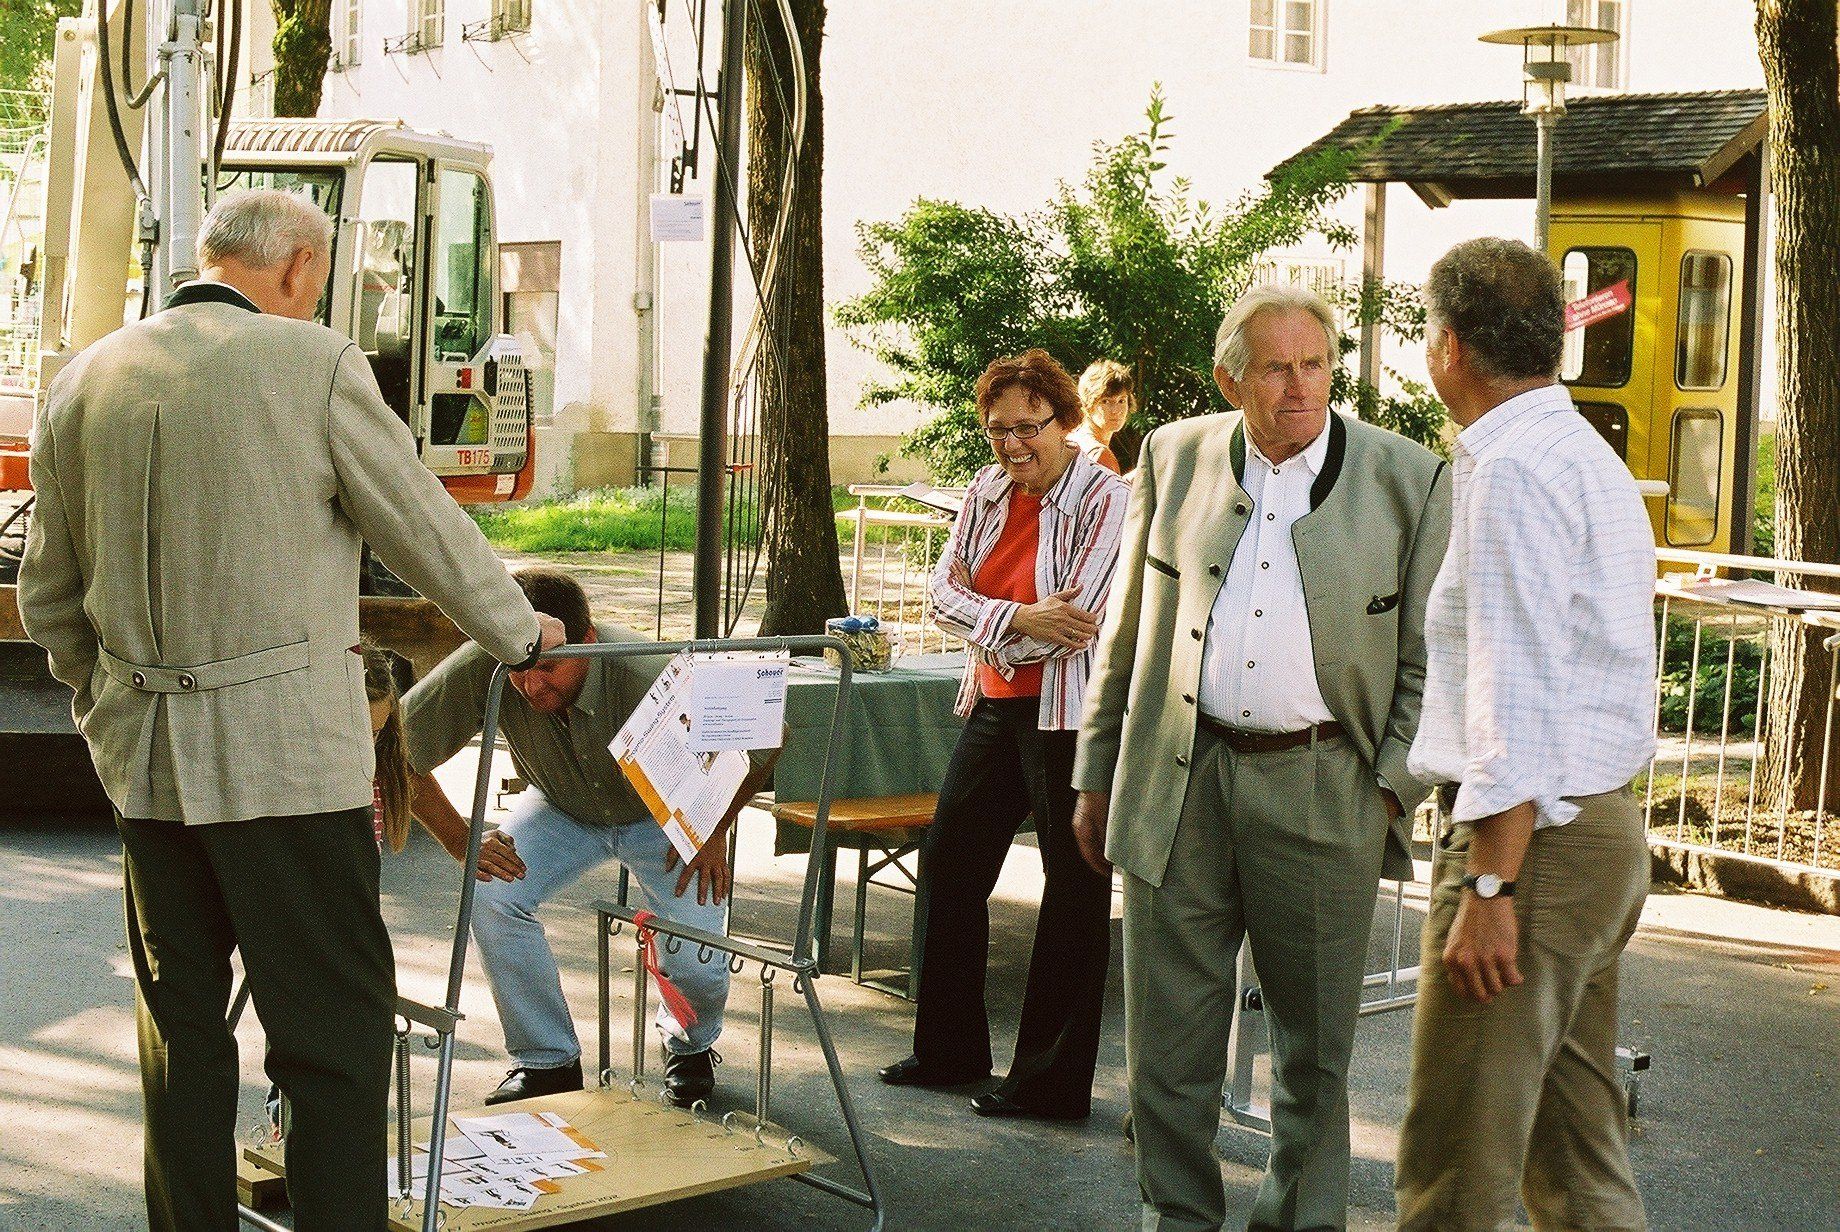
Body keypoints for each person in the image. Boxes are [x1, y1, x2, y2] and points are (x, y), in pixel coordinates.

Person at [17, 188, 562, 1232]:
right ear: (300, 266)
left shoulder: (85, 376)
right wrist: (518, 631)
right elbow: (421, 526)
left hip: (147, 764)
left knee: (180, 1037)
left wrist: (108, 702)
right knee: (331, 1041)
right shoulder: (312, 363)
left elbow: (49, 594)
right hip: (288, 768)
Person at [1071, 285, 1451, 1231]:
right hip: (1178, 776)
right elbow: (1128, 626)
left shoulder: (1409, 478)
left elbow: (1434, 660)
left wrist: (1387, 791)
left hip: (1326, 783)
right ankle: (1177, 1219)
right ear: (1228, 380)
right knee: (1167, 1043)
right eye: (1277, 369)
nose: (1300, 386)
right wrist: (1095, 771)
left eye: (1315, 364)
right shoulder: (1172, 456)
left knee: (1314, 1057)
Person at [1394, 238, 1657, 1232]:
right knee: (1574, 1158)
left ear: (1450, 347)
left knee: (1454, 1167)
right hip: (1590, 832)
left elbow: (1518, 690)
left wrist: (1491, 887)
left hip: (1533, 848)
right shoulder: (1577, 453)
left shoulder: (1509, 469)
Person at [403, 569, 771, 1108]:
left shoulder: (648, 668)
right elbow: (395, 750)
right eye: (518, 671)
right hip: (561, 805)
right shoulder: (490, 657)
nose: (531, 686)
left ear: (589, 641)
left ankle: (689, 1044)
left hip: (662, 813)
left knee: (697, 958)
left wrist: (714, 827)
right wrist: (462, 841)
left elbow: (766, 737)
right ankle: (547, 1060)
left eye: (548, 667)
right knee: (489, 891)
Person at [877, 348, 1129, 1120]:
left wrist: (991, 627)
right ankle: (949, 1050)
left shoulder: (1107, 496)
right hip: (993, 701)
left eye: (1028, 427)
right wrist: (1018, 618)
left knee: (1074, 887)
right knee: (950, 861)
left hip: (1066, 712)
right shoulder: (986, 488)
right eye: (997, 430)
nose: (1013, 445)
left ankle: (1050, 1084)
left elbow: (1078, 621)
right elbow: (938, 595)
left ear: (1065, 419)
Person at [1069, 358, 1133, 473]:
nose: (1116, 410)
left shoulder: (1073, 437)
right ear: (1087, 403)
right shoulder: (1100, 454)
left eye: (1121, 401)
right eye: (1105, 401)